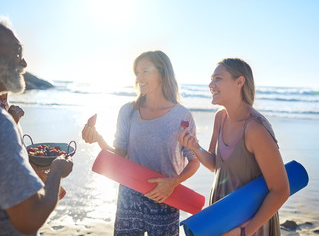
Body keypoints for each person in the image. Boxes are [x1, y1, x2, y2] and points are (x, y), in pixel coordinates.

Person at [82, 50, 200, 236]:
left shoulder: (182, 116)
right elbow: (120, 156)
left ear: (162, 73)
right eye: (137, 72)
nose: (139, 77)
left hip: (165, 198)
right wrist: (99, 140)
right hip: (129, 197)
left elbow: (194, 160)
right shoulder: (128, 111)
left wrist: (173, 182)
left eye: (145, 71)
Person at [177, 58, 290, 236]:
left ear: (239, 82)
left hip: (251, 223)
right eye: (211, 79)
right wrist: (195, 148)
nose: (210, 84)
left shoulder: (255, 128)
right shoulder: (220, 118)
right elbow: (217, 166)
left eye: (218, 78)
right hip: (222, 215)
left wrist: (244, 231)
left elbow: (281, 190)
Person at [0, 20, 73, 236]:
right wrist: (57, 170)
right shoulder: (3, 124)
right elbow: (30, 218)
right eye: (17, 51)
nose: (24, 63)